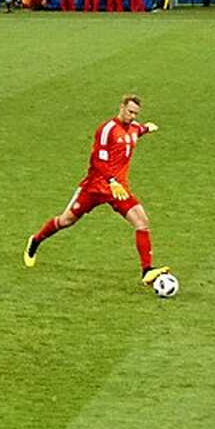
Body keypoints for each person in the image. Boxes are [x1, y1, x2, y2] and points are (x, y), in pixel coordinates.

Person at [23, 94, 173, 291]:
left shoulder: (134, 128)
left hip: (118, 190)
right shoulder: (107, 130)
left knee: (142, 222)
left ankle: (147, 271)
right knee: (66, 220)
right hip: (95, 187)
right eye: (129, 112)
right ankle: (36, 240)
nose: (132, 116)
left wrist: (147, 128)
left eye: (135, 114)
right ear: (121, 107)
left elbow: (137, 132)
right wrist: (111, 180)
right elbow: (98, 161)